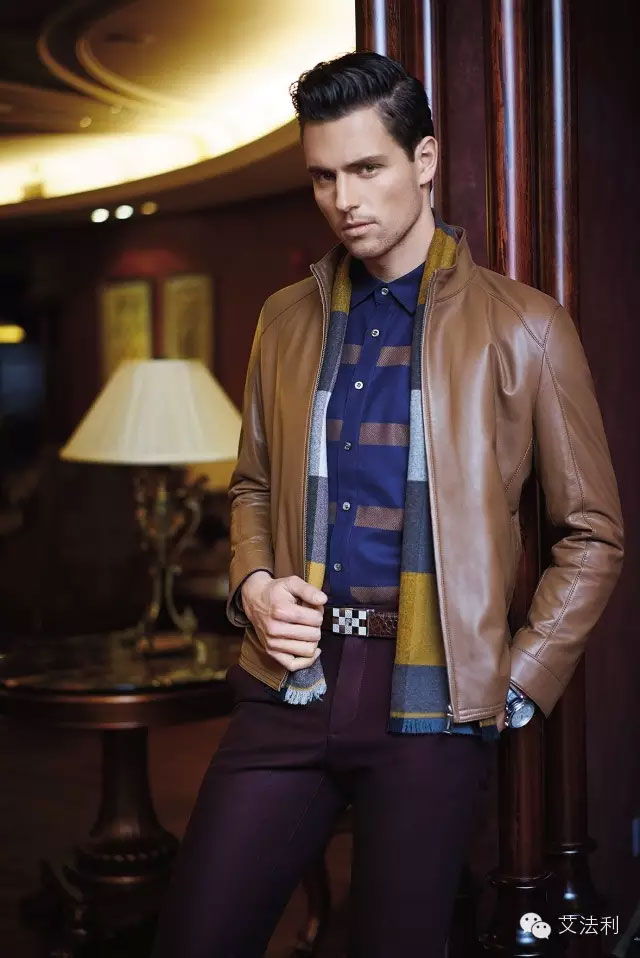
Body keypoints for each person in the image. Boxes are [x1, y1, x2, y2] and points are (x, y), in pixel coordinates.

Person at [151, 51, 624, 958]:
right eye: (323, 176)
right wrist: (253, 584)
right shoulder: (284, 319)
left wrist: (518, 679)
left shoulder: (525, 326)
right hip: (288, 682)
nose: (344, 199)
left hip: (432, 694)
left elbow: (593, 534)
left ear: (426, 159)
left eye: (367, 168)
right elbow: (252, 485)